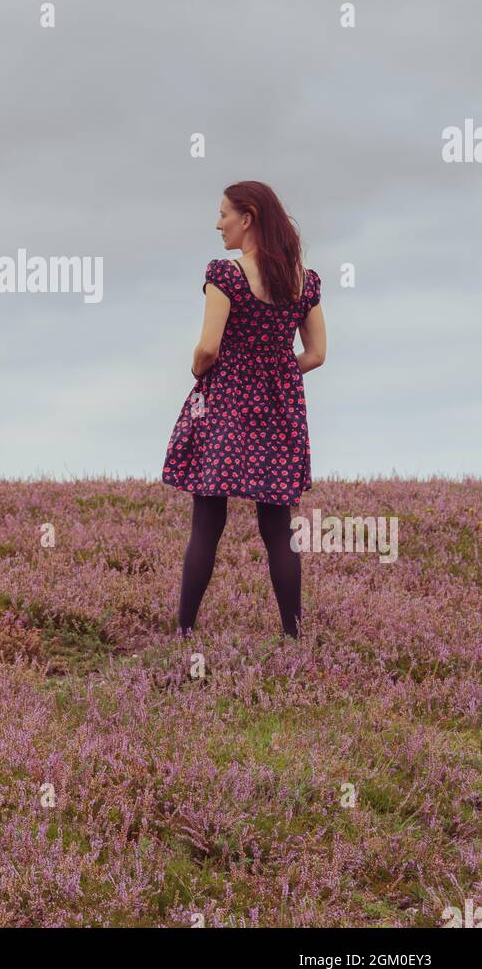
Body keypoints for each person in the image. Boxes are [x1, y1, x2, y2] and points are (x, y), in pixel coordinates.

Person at [162, 181, 327, 638]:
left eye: (224, 215)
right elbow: (316, 355)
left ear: (248, 217)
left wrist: (198, 370)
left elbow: (208, 348)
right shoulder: (302, 280)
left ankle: (185, 630)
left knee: (207, 520)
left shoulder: (226, 275)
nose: (218, 224)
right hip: (278, 411)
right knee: (278, 525)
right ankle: (293, 636)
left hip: (226, 405)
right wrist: (275, 375)